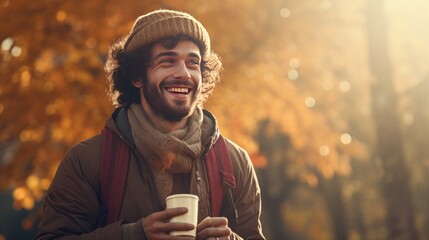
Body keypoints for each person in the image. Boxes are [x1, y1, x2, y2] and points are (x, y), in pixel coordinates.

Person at [36, 9, 265, 240]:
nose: (184, 73)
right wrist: (134, 235)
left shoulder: (233, 162)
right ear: (137, 76)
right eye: (167, 61)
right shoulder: (88, 161)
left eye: (193, 63)